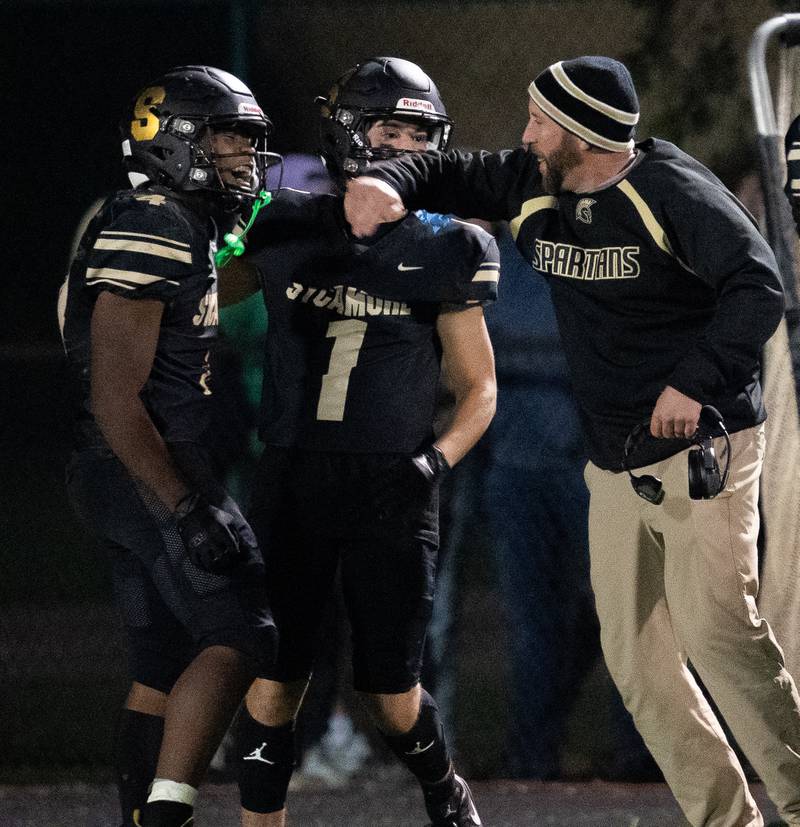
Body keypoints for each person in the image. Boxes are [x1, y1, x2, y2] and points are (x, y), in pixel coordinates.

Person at [343, 55, 800, 827]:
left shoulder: (672, 193)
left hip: (704, 452)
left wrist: (693, 380)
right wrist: (390, 184)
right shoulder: (535, 181)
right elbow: (449, 169)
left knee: (721, 633)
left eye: (540, 120)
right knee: (639, 666)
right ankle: (728, 821)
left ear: (583, 133)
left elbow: (758, 287)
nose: (525, 134)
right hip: (613, 456)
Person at [223, 57, 497, 827]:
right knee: (275, 678)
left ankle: (445, 787)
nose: (407, 148)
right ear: (350, 134)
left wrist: (433, 462)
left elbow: (480, 388)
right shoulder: (281, 224)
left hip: (390, 483)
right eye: (391, 130)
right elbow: (195, 299)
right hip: (292, 475)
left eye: (421, 135)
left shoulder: (448, 245)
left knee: (392, 692)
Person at [59, 65, 277, 827]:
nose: (244, 155)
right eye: (229, 137)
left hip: (126, 465)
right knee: (243, 630)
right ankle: (165, 816)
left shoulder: (173, 220)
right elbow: (116, 396)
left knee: (159, 664)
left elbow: (216, 293)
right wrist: (185, 502)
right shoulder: (152, 221)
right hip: (144, 461)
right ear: (177, 139)